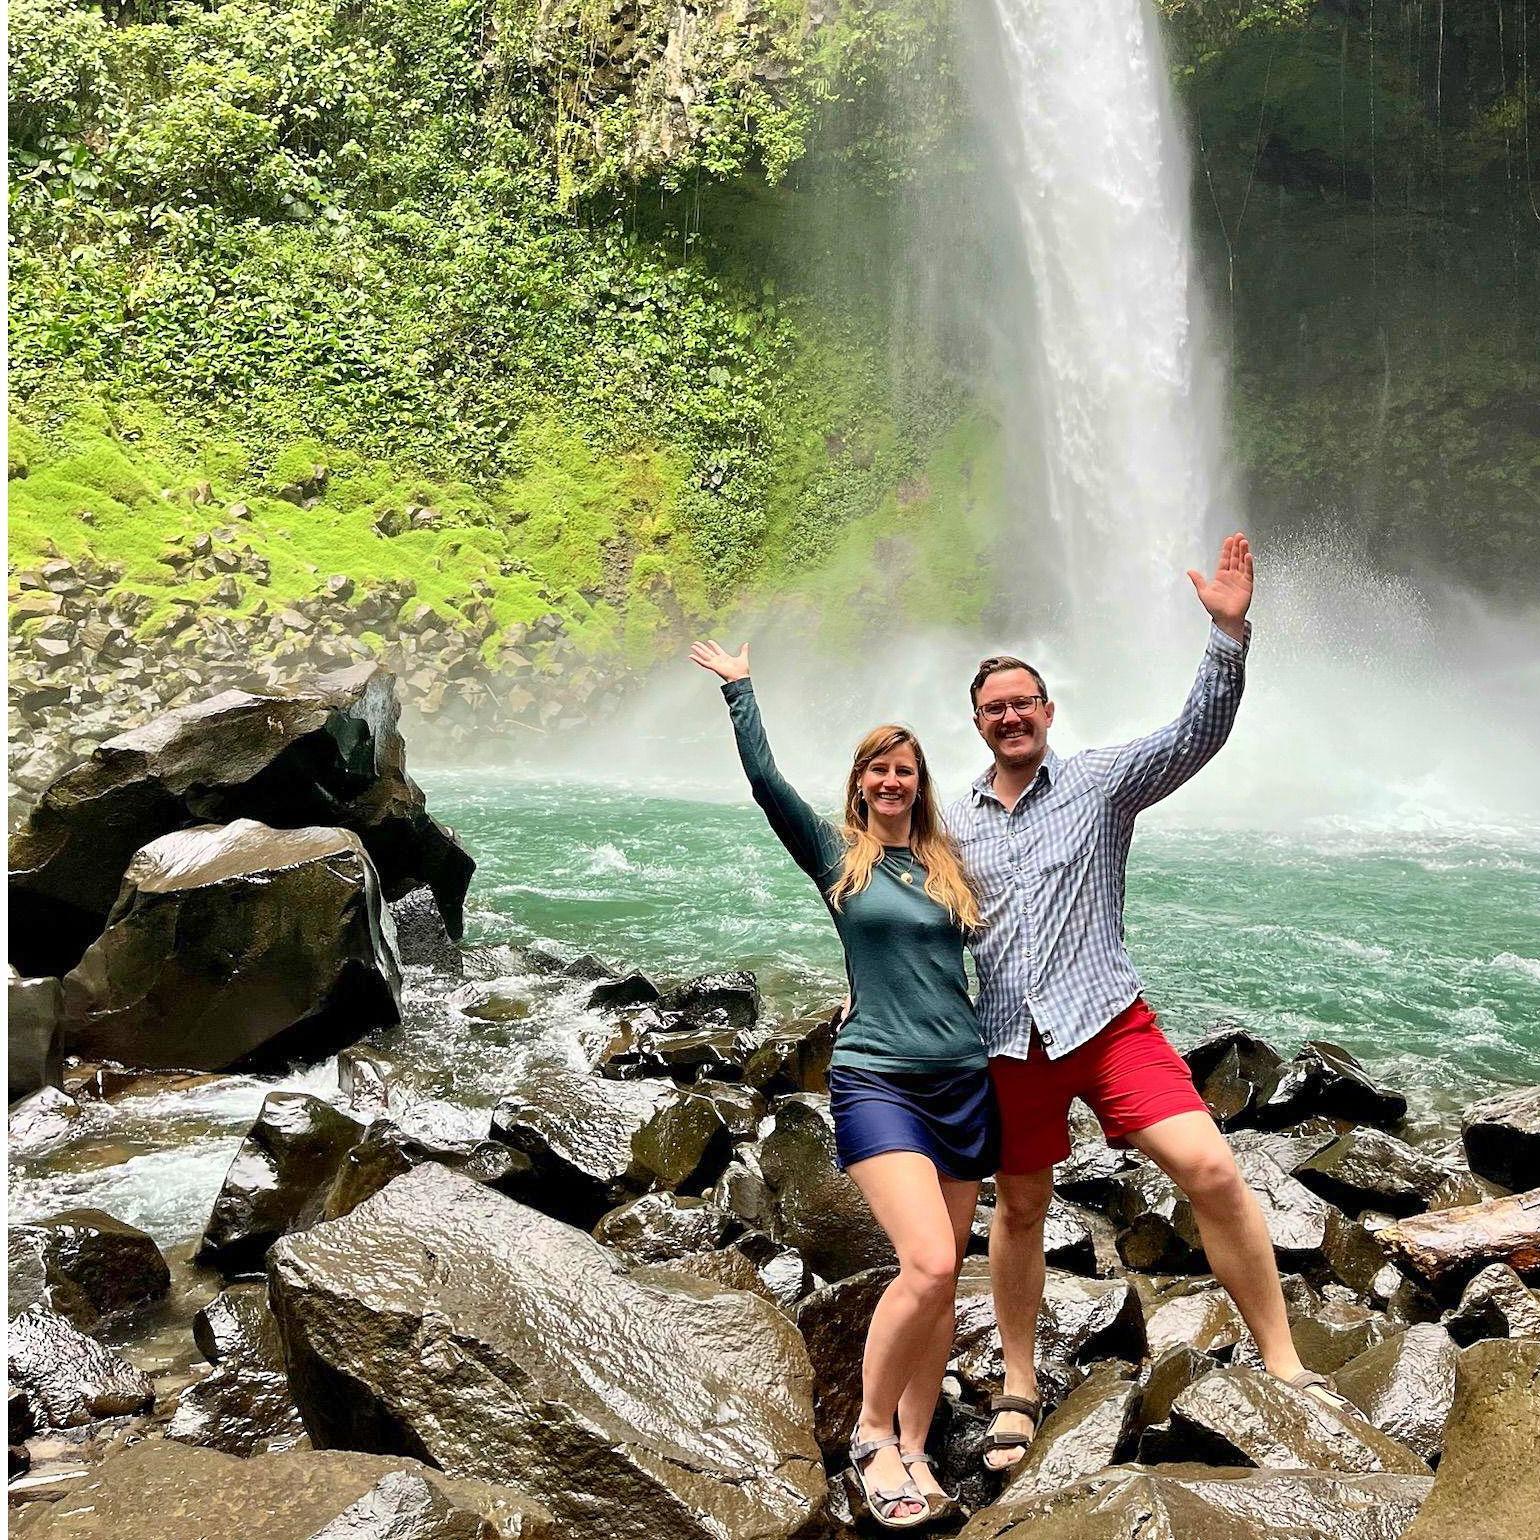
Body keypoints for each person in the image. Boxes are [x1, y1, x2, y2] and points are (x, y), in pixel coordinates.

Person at [946, 533, 1352, 1472]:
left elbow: (1194, 735)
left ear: (1048, 711)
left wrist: (1229, 632)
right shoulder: (952, 821)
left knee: (1210, 1170)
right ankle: (1017, 1387)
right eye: (994, 709)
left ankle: (1282, 1361)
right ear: (979, 725)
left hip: (1106, 1020)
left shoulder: (1098, 782)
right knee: (1019, 1209)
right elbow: (911, 918)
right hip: (1007, 1040)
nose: (1011, 718)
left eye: (1023, 703)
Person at [692, 638, 997, 1530]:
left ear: (920, 783)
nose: (893, 781)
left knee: (944, 1283)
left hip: (965, 1082)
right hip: (878, 1081)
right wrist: (742, 691)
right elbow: (768, 788)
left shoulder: (949, 867)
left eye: (905, 770)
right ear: (861, 783)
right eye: (879, 770)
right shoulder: (840, 856)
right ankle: (870, 1439)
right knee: (929, 1261)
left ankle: (916, 1442)